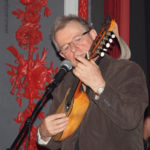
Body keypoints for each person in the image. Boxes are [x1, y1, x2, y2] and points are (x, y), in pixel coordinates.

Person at [37, 15, 148, 150]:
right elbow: (55, 143)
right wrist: (44, 134)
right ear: (63, 56)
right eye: (66, 47)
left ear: (94, 35)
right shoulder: (64, 84)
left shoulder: (127, 70)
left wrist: (99, 86)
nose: (74, 49)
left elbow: (130, 119)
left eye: (78, 39)